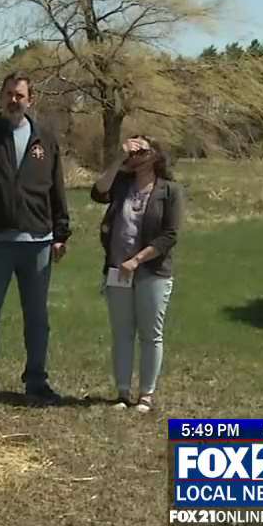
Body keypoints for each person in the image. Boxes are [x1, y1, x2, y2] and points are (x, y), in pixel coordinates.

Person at [0, 71, 71, 410]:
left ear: (30, 99)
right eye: (8, 94)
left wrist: (60, 233)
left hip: (38, 240)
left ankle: (36, 383)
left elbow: (57, 189)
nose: (13, 100)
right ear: (1, 96)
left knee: (37, 317)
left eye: (19, 95)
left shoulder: (45, 139)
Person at [91, 135, 183, 413]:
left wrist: (138, 260)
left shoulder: (170, 190)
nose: (135, 153)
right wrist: (120, 159)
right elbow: (97, 192)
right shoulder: (121, 184)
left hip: (153, 272)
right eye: (132, 150)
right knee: (122, 333)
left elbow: (170, 235)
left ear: (155, 156)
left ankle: (146, 395)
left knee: (150, 334)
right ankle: (122, 393)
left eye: (141, 149)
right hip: (117, 269)